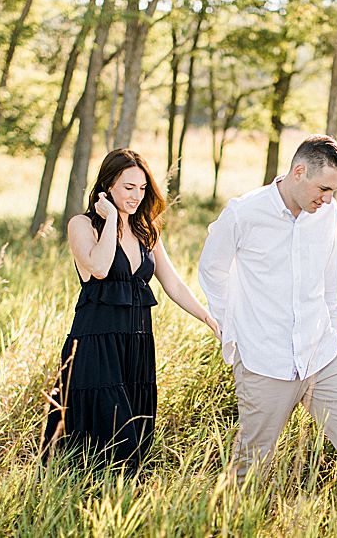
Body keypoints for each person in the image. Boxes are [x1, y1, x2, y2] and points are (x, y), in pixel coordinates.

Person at [198, 134, 337, 485]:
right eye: (323, 189)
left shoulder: (327, 214)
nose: (327, 199)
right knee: (251, 468)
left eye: (334, 192)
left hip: (321, 355)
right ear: (299, 172)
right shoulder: (244, 213)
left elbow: (331, 282)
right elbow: (212, 269)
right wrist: (232, 331)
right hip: (264, 362)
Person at [43, 149, 220, 470]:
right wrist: (111, 218)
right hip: (95, 345)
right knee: (106, 436)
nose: (137, 196)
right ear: (108, 185)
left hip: (136, 345)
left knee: (135, 434)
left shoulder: (146, 230)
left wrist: (209, 318)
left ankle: (119, 503)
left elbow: (173, 284)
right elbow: (98, 266)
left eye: (142, 188)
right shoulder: (82, 225)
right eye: (128, 187)